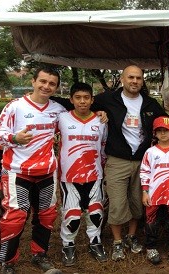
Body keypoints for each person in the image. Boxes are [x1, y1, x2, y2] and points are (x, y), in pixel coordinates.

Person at [51, 65, 169, 261]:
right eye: (130, 77)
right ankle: (117, 241)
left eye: (138, 78)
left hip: (142, 160)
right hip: (117, 160)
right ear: (122, 79)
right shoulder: (108, 99)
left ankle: (131, 237)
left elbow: (166, 123)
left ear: (142, 81)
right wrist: (43, 98)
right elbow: (78, 103)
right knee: (116, 203)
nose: (134, 81)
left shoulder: (151, 104)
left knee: (137, 202)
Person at [0, 66, 65, 274]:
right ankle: (8, 261)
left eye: (51, 83)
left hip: (47, 172)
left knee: (47, 215)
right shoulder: (15, 107)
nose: (46, 86)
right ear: (33, 81)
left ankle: (39, 254)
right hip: (17, 171)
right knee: (15, 217)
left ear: (56, 87)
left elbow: (73, 121)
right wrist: (14, 138)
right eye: (42, 81)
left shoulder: (58, 110)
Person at [57, 82, 108, 266]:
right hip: (69, 176)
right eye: (78, 98)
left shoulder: (101, 121)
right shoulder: (61, 118)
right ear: (71, 100)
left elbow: (103, 148)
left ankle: (95, 242)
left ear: (92, 100)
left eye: (86, 98)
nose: (82, 101)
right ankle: (68, 245)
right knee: (72, 215)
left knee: (95, 212)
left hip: (95, 175)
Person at [140, 116, 169, 265]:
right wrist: (145, 191)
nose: (163, 134)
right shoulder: (150, 152)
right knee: (151, 220)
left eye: (166, 130)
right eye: (159, 131)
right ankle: (151, 247)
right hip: (154, 192)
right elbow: (144, 172)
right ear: (155, 133)